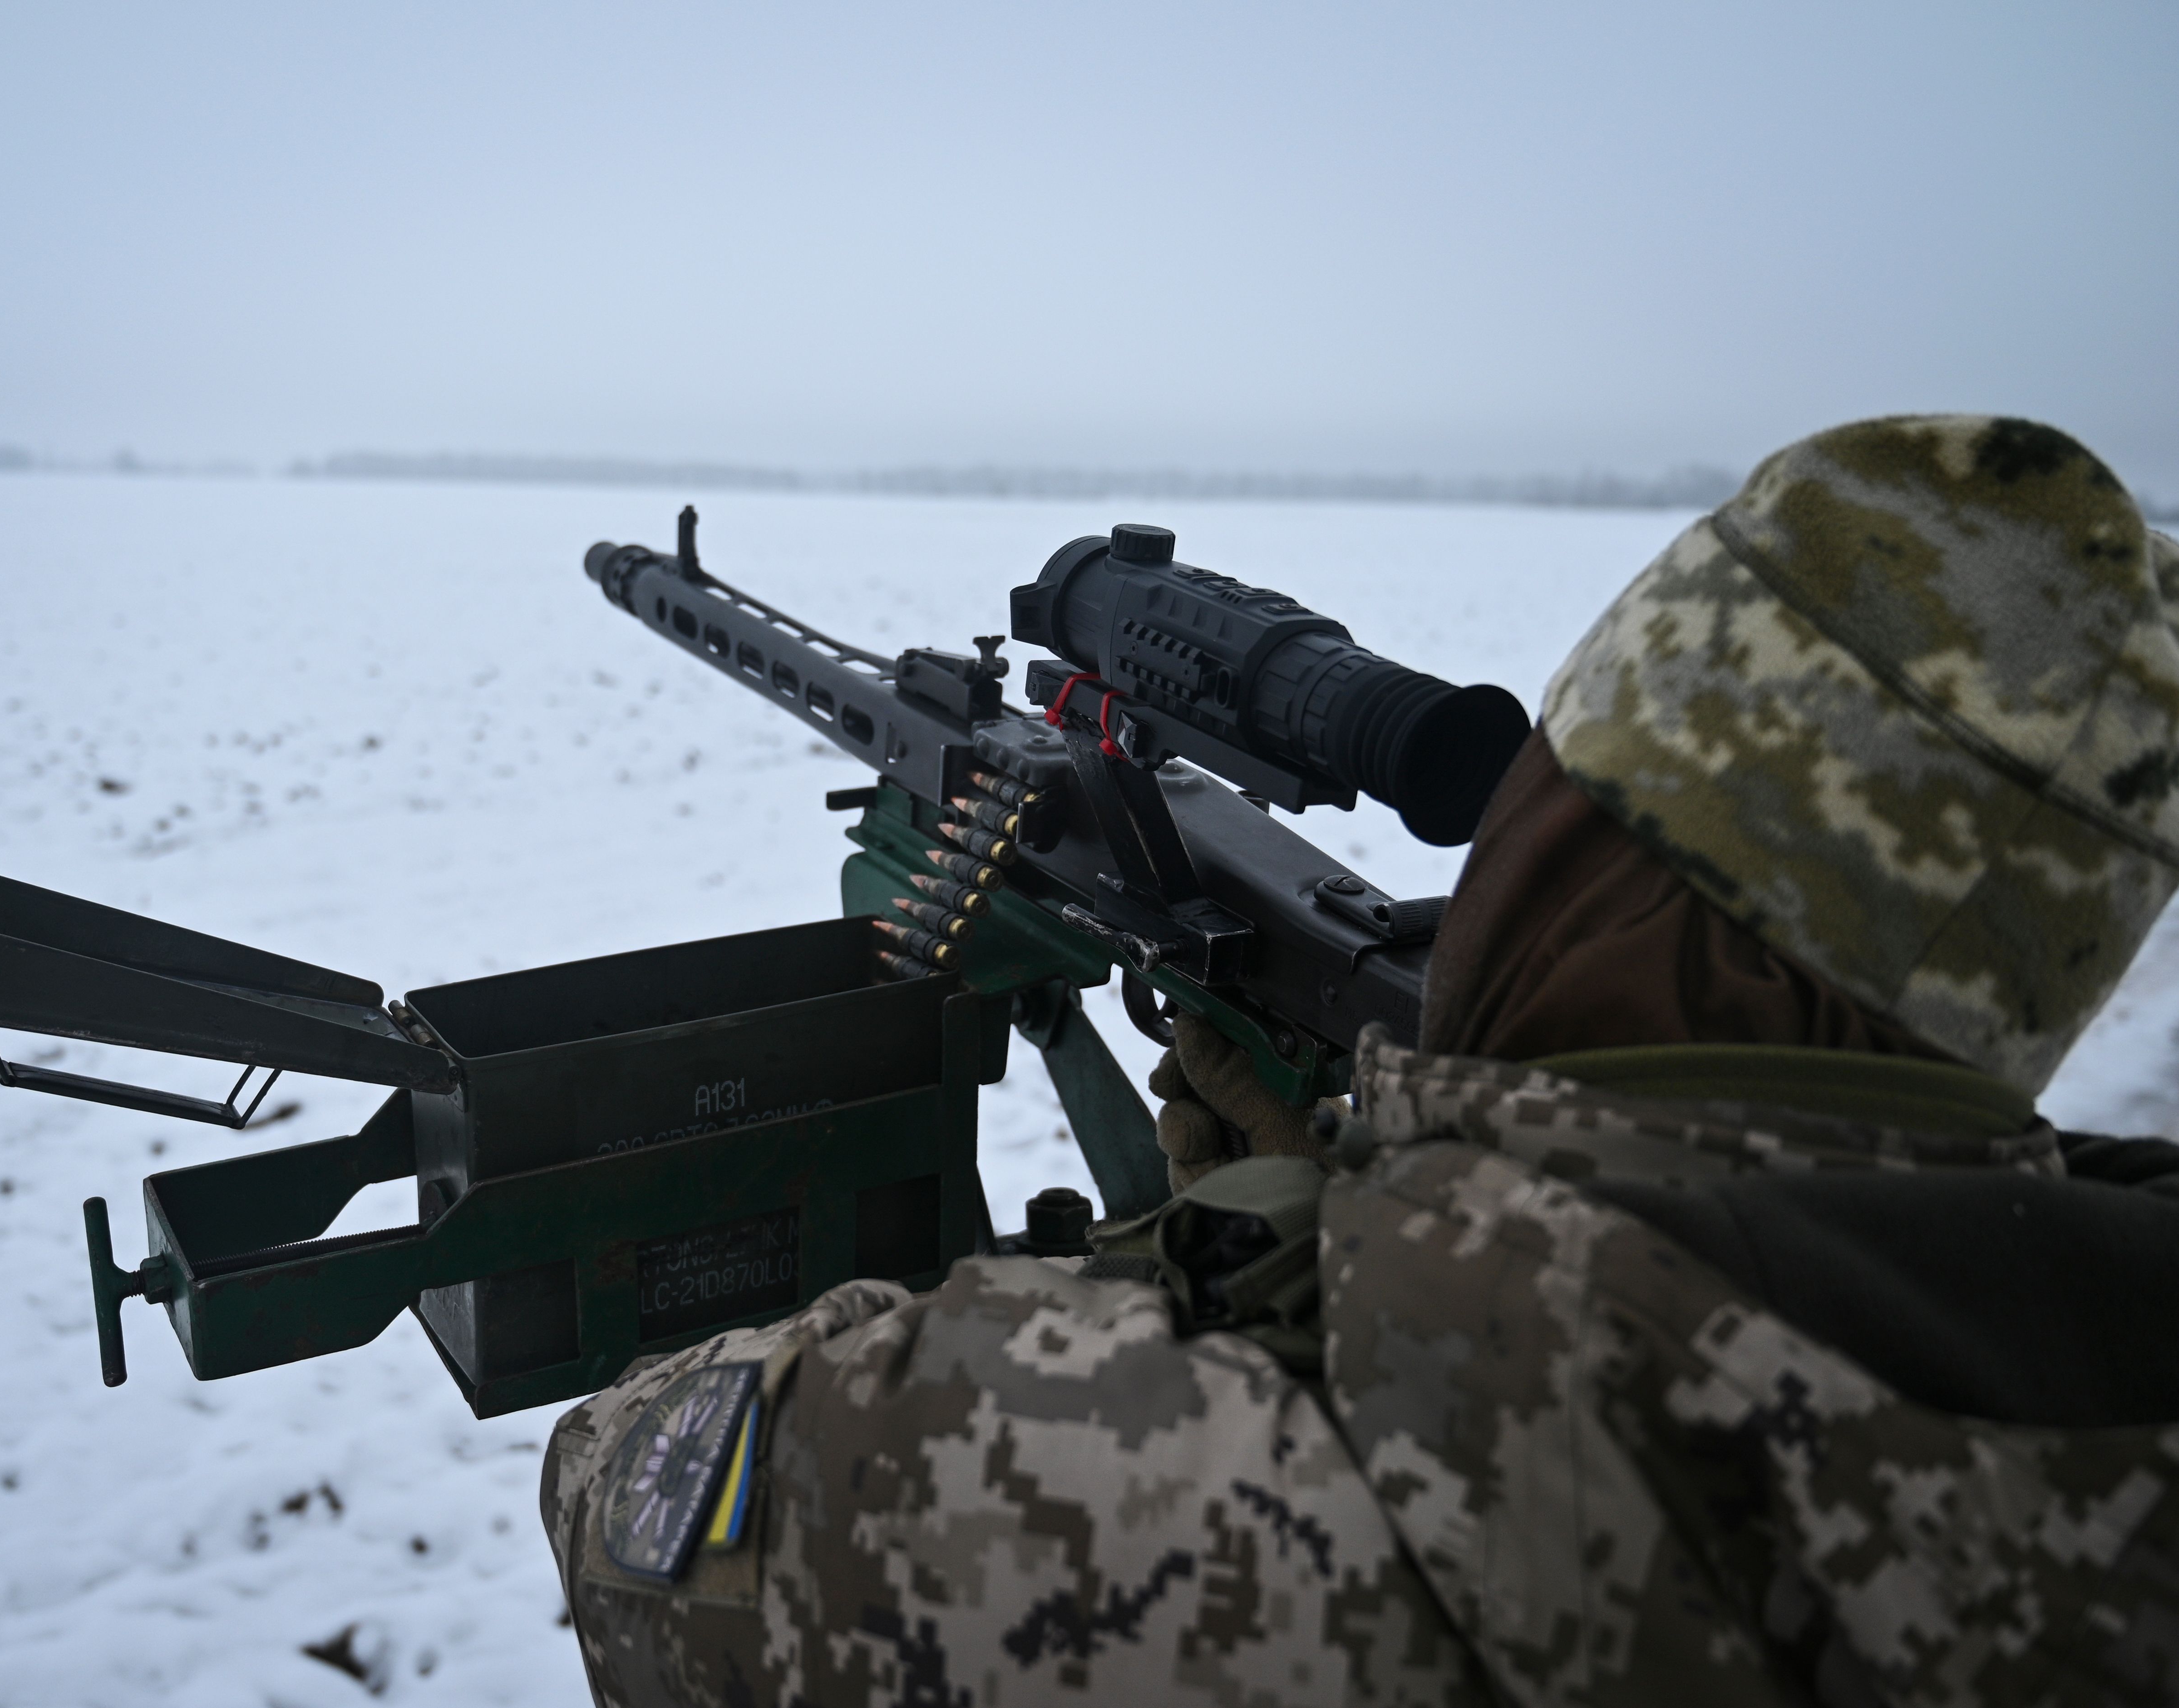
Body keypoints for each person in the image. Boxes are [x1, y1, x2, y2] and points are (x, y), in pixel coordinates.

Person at [541, 415, 2179, 1705]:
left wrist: (1169, 1280)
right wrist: (1375, 1225)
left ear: (1572, 851)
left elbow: (623, 1508)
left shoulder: (1110, 1472)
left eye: (1551, 783)